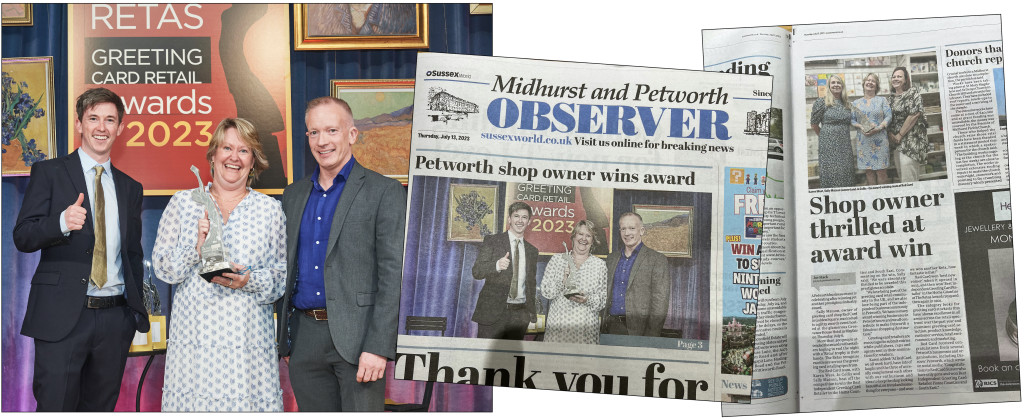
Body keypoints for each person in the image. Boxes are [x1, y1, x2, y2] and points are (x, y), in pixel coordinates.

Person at [13, 87, 149, 411]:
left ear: (121, 127)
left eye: (109, 120)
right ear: (79, 124)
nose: (101, 127)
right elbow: (23, 236)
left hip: (115, 321)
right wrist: (60, 221)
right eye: (93, 119)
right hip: (62, 319)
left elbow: (132, 254)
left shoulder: (131, 188)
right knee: (55, 408)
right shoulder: (49, 173)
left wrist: (132, 312)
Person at [276, 97, 406, 412]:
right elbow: (286, 266)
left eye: (332, 130)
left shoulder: (384, 192)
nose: (323, 141)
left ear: (351, 134)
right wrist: (289, 339)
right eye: (314, 132)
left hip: (360, 341)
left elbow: (394, 276)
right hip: (304, 340)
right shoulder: (293, 196)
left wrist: (378, 347)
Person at [153, 118, 286, 411]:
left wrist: (249, 280)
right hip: (195, 346)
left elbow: (281, 276)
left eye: (244, 150)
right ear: (213, 155)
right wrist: (195, 251)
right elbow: (162, 267)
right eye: (227, 147)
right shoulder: (183, 203)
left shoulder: (270, 210)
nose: (234, 157)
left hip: (247, 347)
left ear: (254, 161)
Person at [471, 201, 539, 340]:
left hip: (520, 316)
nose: (520, 220)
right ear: (509, 219)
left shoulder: (532, 251)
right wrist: (496, 265)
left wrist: (531, 312)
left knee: (510, 359)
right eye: (516, 216)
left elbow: (531, 283)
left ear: (529, 222)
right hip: (492, 314)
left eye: (524, 217)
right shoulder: (492, 241)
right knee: (486, 357)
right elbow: (477, 271)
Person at [602, 212, 669, 337]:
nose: (627, 233)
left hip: (640, 331)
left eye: (632, 228)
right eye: (623, 229)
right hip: (610, 328)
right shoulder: (611, 259)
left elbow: (660, 302)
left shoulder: (657, 260)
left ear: (642, 230)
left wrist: (651, 336)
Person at [540, 219, 608, 344]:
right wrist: (562, 281)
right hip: (558, 329)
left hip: (585, 331)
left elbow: (602, 301)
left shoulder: (599, 265)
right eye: (580, 234)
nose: (584, 239)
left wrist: (587, 299)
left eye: (588, 236)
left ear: (593, 241)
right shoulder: (557, 260)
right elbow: (546, 292)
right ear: (574, 236)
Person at [811, 74, 855, 188]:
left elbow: (852, 121)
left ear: (842, 86)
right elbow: (814, 124)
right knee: (831, 173)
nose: (836, 85)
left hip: (844, 144)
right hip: (828, 145)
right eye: (833, 83)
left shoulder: (847, 104)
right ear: (829, 86)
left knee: (846, 172)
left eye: (838, 83)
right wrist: (825, 137)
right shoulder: (822, 102)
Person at [887, 66, 929, 182]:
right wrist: (890, 134)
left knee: (908, 178)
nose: (896, 79)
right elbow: (887, 118)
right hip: (896, 142)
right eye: (894, 76)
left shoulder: (912, 92)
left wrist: (900, 135)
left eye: (899, 76)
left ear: (905, 80)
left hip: (911, 140)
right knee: (902, 177)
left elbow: (914, 115)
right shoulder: (889, 98)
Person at [851, 73, 893, 185]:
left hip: (880, 140)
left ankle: (882, 197)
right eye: (868, 80)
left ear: (876, 86)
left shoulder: (882, 100)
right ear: (864, 83)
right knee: (869, 172)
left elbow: (889, 116)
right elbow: (852, 120)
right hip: (863, 140)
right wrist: (860, 126)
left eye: (873, 81)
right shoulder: (856, 103)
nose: (870, 82)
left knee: (881, 172)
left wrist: (879, 128)